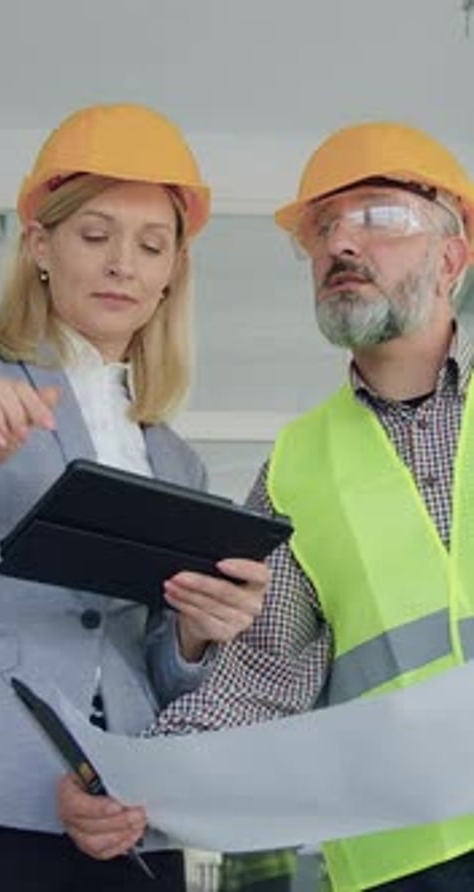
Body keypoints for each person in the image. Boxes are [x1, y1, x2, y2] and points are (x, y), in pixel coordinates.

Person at [58, 120, 474, 892]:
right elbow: (256, 676)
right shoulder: (297, 467)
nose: (342, 244)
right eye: (324, 229)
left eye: (379, 218)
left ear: (452, 257)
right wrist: (131, 784)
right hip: (404, 859)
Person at [0, 102, 270, 892]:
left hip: (134, 808)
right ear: (40, 245)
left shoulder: (173, 460)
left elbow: (150, 662)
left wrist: (199, 638)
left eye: (150, 246)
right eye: (95, 236)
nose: (122, 266)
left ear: (173, 271)